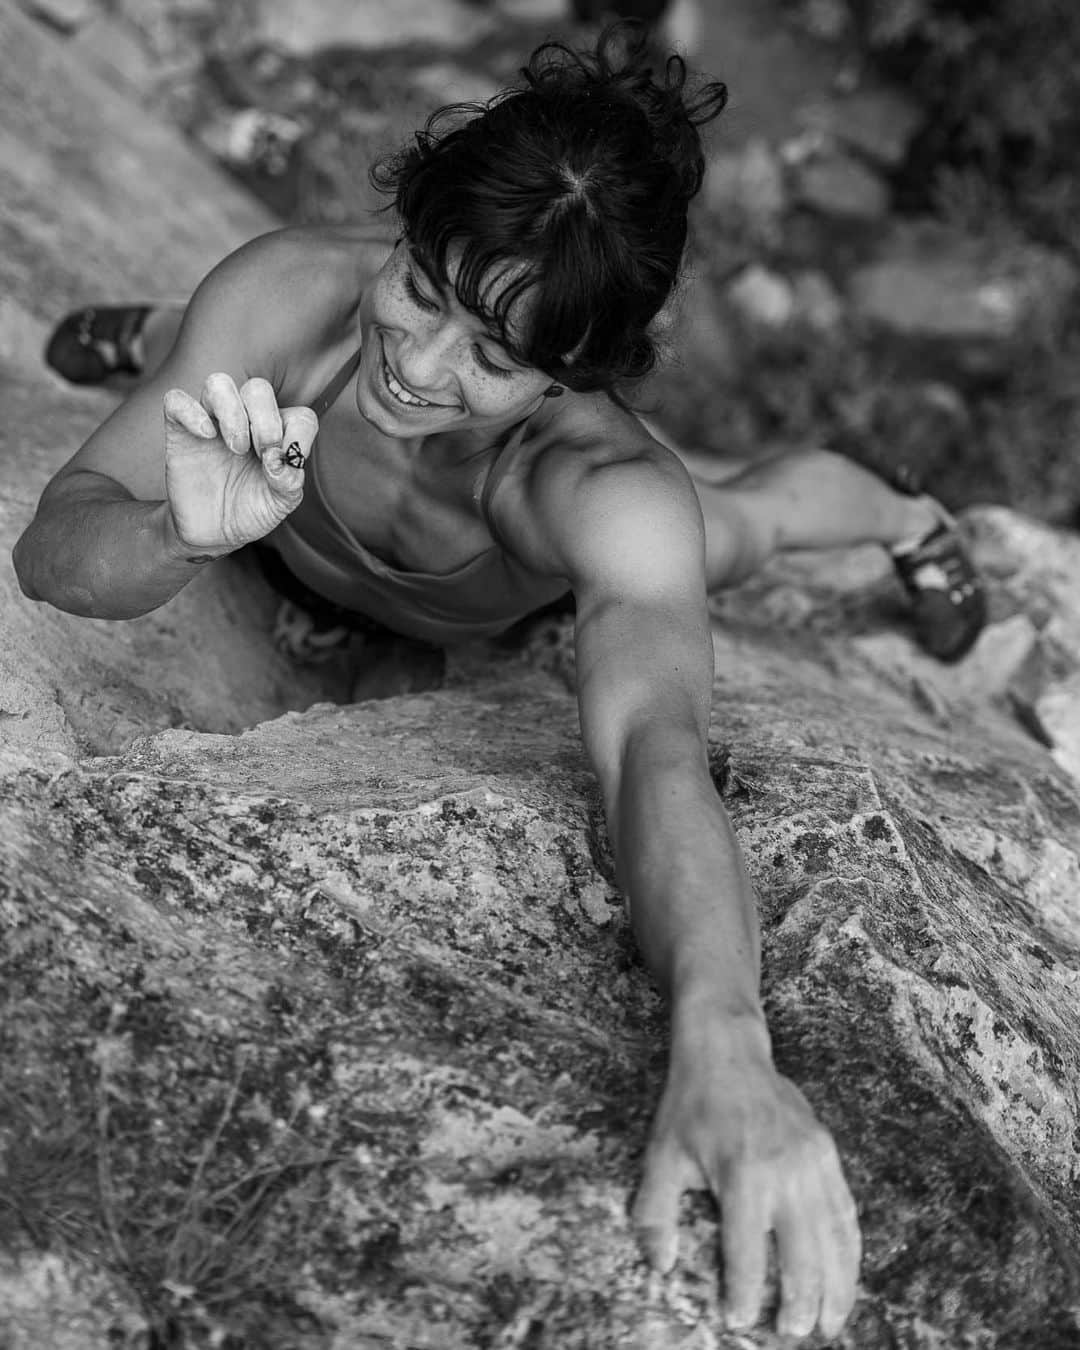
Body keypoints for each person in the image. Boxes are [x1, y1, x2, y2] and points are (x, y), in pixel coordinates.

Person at [14, 23, 982, 1339]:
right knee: (208, 349)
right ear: (399, 226)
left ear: (572, 375)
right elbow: (55, 552)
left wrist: (724, 1033)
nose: (422, 361)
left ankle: (909, 515)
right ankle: (157, 338)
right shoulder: (293, 296)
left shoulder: (599, 489)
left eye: (496, 351)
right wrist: (180, 530)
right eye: (422, 283)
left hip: (490, 605)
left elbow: (656, 744)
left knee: (735, 525)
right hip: (272, 503)